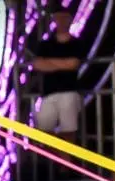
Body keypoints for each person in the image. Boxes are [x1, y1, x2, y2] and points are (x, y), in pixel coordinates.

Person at [32, 8, 88, 144]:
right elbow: (37, 64)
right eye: (58, 18)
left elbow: (73, 64)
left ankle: (66, 163)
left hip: (69, 91)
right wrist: (63, 63)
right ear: (54, 20)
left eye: (64, 18)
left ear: (70, 20)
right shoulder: (45, 44)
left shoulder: (77, 43)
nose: (61, 21)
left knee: (69, 132)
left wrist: (50, 63)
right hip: (48, 93)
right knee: (42, 132)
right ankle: (66, 159)